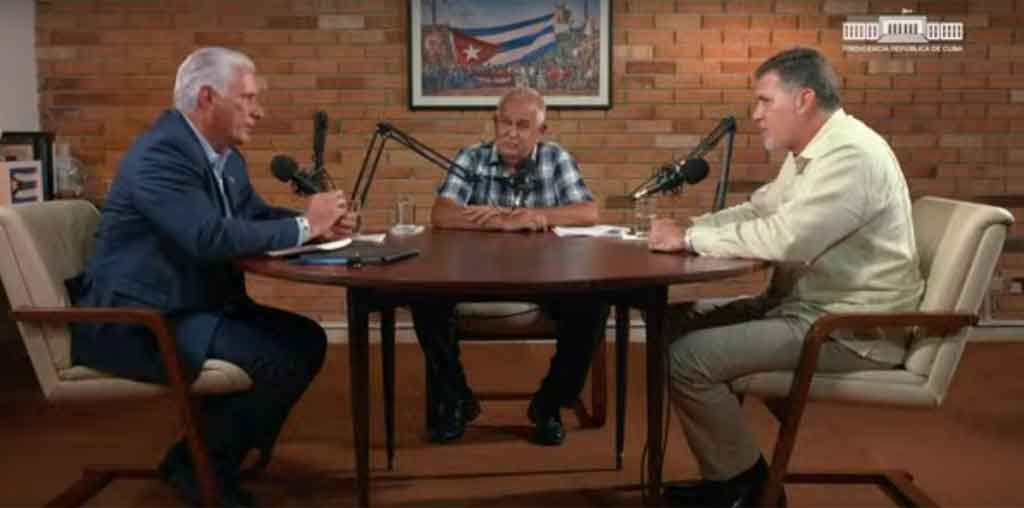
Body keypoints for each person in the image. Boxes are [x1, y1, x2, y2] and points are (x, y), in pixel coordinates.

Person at [68, 47, 356, 507]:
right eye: (248, 98)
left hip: (192, 305)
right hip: (138, 319)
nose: (259, 111)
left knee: (306, 339)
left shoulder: (225, 157)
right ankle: (200, 469)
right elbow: (206, 236)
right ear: (207, 98)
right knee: (275, 357)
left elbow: (252, 217)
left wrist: (318, 227)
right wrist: (306, 225)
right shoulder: (161, 155)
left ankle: (203, 454)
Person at [649, 47, 925, 507]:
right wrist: (691, 228)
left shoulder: (852, 155)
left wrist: (691, 239)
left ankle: (748, 488)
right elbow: (761, 210)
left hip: (849, 328)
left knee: (688, 358)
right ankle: (728, 475)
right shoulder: (813, 152)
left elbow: (787, 239)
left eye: (764, 101)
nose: (756, 114)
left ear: (803, 99)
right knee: (672, 323)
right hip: (805, 308)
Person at [411, 87, 609, 446]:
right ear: (494, 123)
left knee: (593, 305)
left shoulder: (555, 158)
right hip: (476, 275)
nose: (511, 133)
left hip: (544, 276)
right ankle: (456, 398)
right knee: (424, 298)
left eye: (523, 125)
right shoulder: (471, 157)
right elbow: (441, 213)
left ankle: (549, 404)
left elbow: (587, 212)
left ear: (541, 131)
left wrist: (535, 215)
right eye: (505, 123)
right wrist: (503, 222)